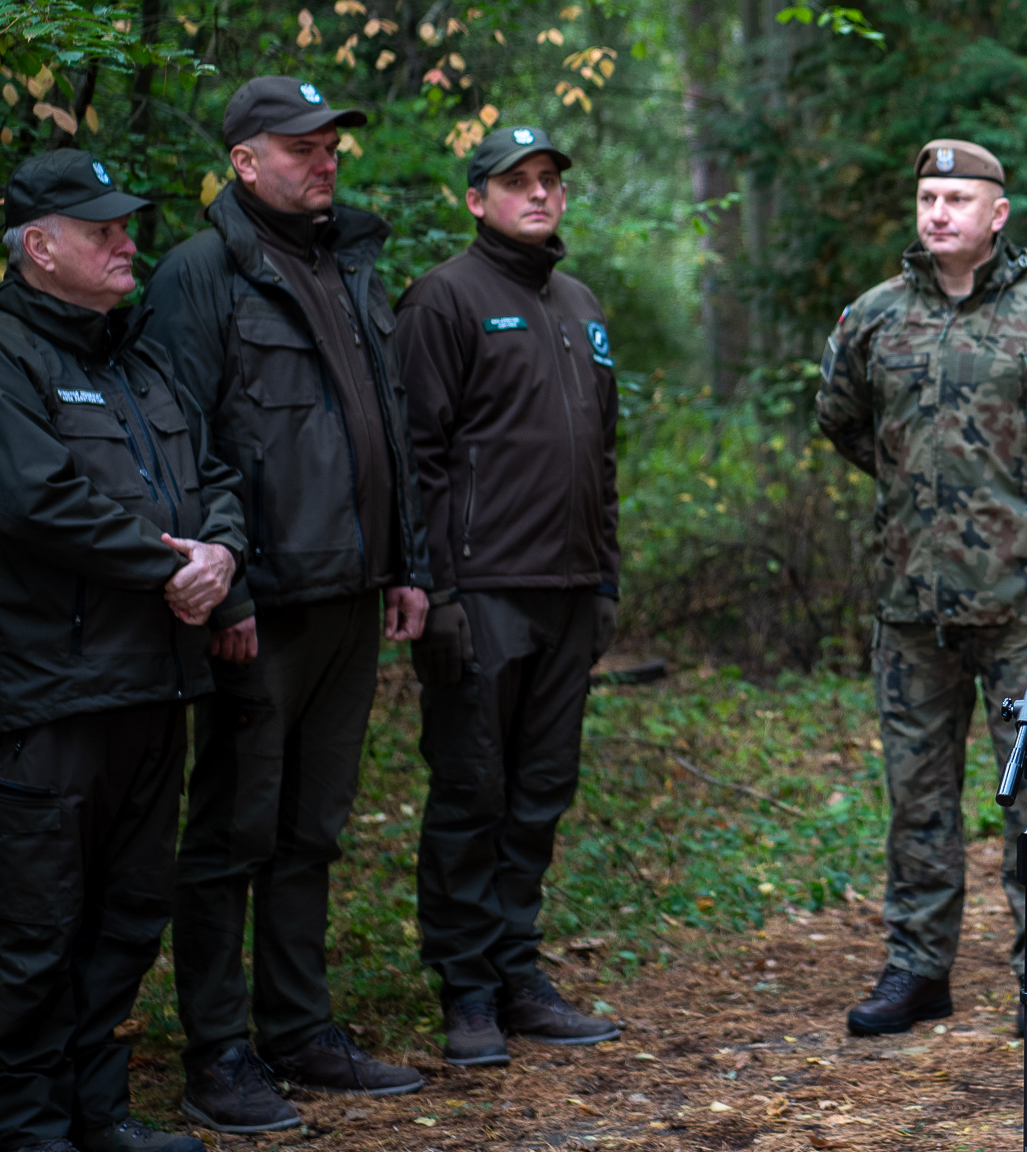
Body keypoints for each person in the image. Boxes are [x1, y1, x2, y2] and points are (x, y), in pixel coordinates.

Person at [0, 149, 248, 1152]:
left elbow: (215, 473)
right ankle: (27, 1128)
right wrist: (169, 566)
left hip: (154, 686)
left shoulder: (137, 360)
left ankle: (96, 1113)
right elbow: (32, 499)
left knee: (127, 916)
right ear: (39, 246)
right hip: (47, 697)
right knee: (37, 930)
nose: (127, 242)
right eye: (102, 229)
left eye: (127, 225)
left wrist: (222, 551)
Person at [144, 76, 432, 1130]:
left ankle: (299, 1028)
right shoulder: (200, 276)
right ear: (244, 160)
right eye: (301, 146)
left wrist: (408, 563)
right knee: (231, 833)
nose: (326, 161)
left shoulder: (348, 265)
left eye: (331, 146)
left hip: (352, 598)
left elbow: (385, 430)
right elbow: (179, 443)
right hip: (257, 610)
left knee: (312, 829)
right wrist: (228, 592)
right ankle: (217, 1052)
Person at [816, 139, 1027, 1038]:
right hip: (912, 611)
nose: (939, 213)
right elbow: (845, 422)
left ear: (997, 213)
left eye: (958, 198)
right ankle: (917, 968)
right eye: (928, 196)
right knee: (918, 800)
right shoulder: (875, 318)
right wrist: (923, 504)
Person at [393, 126, 623, 1064]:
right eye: (515, 182)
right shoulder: (443, 299)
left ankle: (518, 971)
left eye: (549, 182)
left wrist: (606, 576)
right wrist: (434, 590)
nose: (537, 195)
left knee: (539, 792)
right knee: (472, 791)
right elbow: (417, 458)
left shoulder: (579, 304)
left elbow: (603, 456)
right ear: (477, 198)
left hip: (570, 588)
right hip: (482, 591)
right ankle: (468, 990)